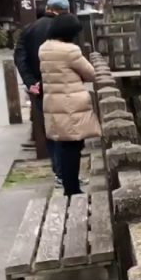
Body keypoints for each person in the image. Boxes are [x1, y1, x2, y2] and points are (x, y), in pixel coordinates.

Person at [39, 14, 99, 197]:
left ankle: (69, 187)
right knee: (73, 148)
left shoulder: (44, 48)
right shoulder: (70, 51)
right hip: (70, 104)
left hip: (54, 103)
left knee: (64, 146)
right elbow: (91, 73)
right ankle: (72, 190)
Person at [15, 0, 70, 184]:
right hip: (61, 85)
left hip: (40, 88)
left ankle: (59, 172)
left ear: (48, 8)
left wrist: (31, 82)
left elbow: (19, 57)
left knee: (50, 129)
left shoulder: (29, 29)